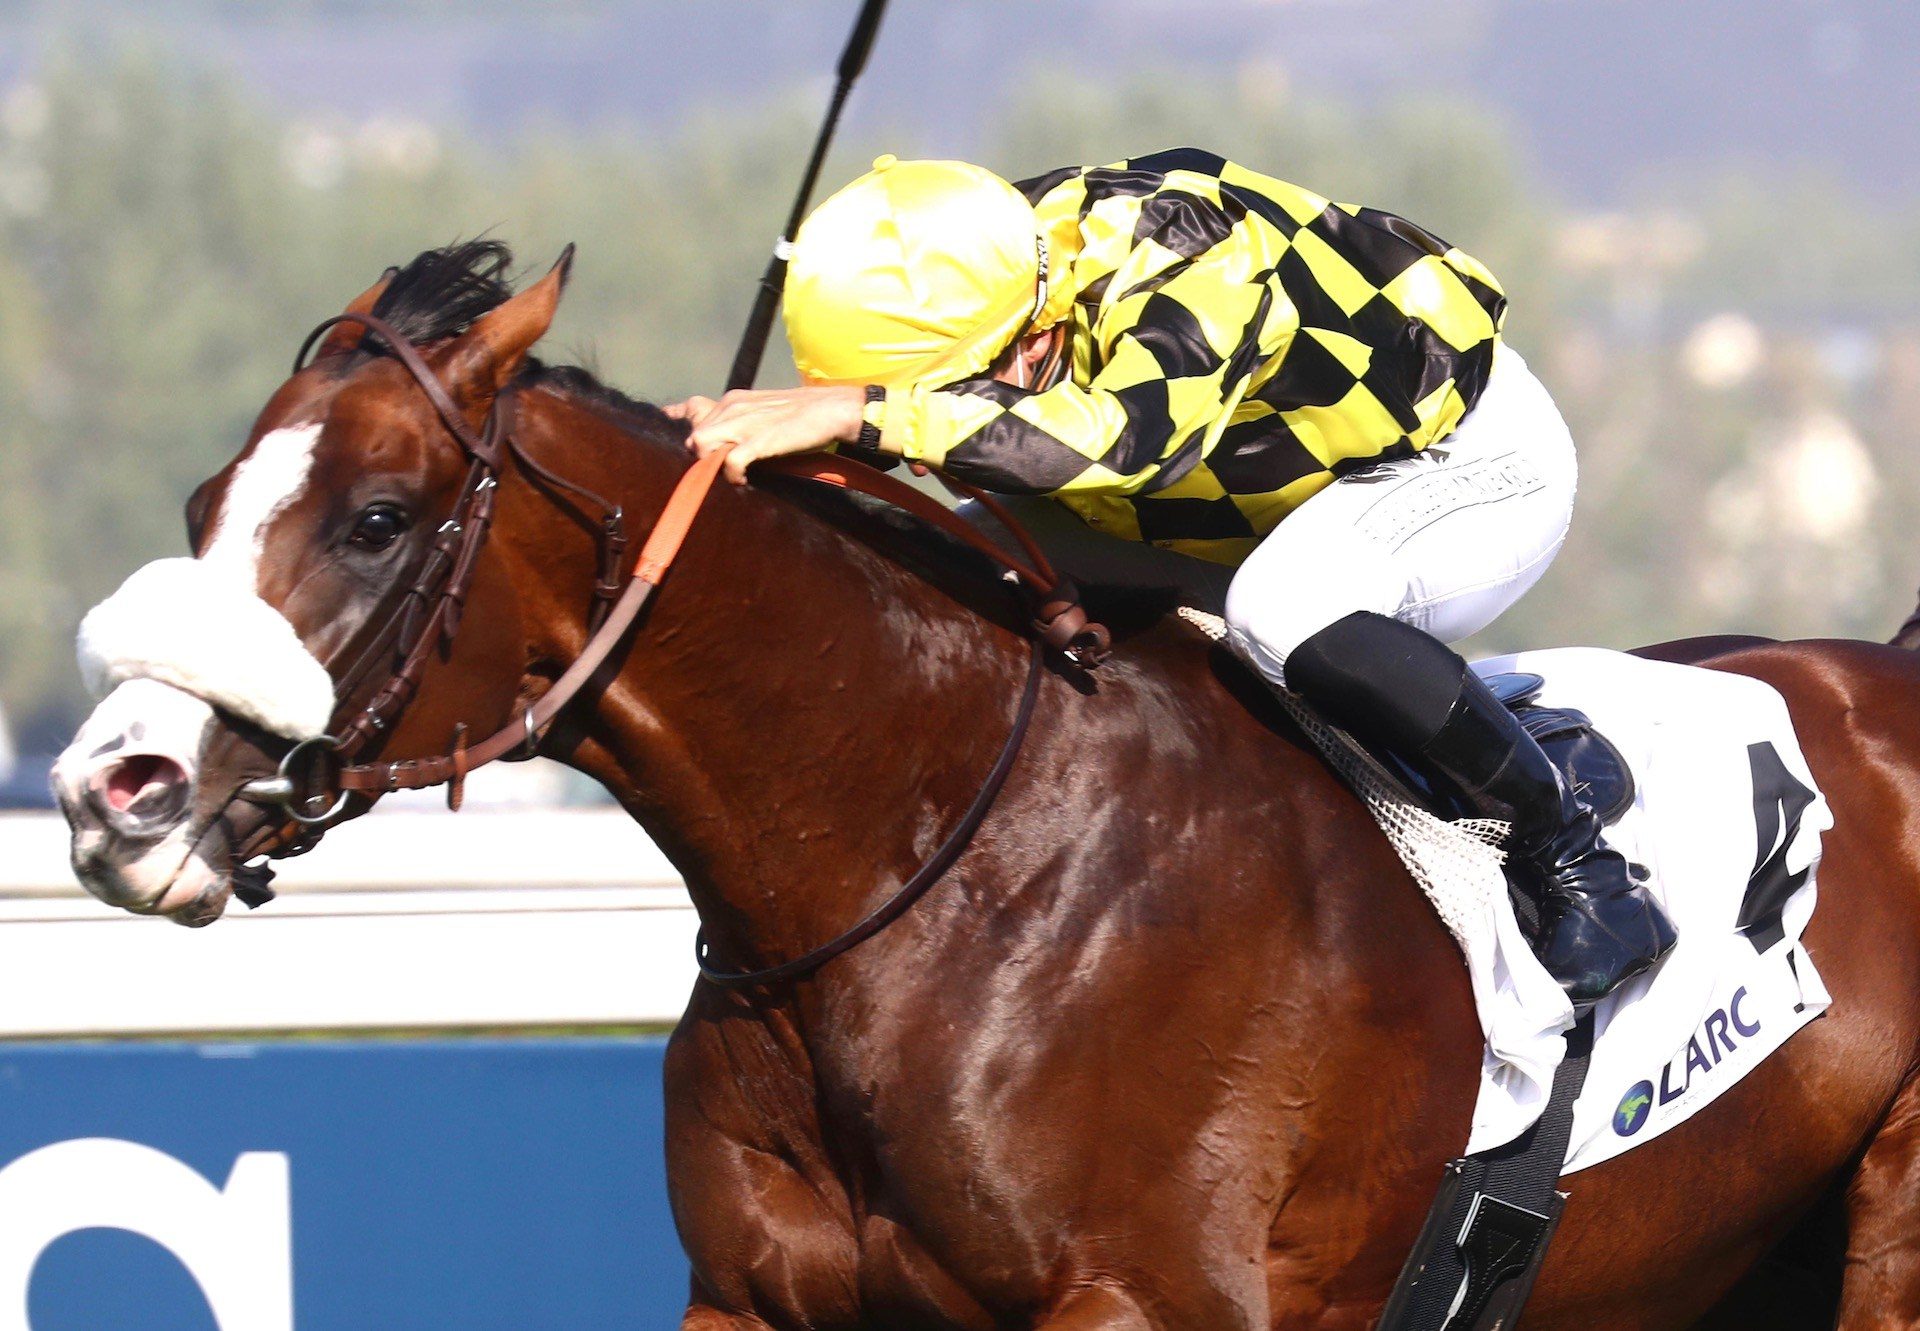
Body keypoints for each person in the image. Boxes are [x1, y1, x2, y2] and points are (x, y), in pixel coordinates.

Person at [668, 148, 1672, 1007]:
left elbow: (1116, 444)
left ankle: (1576, 855)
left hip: (1464, 465)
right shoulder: (970, 264)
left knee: (1284, 606)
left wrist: (866, 413)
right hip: (1254, 504)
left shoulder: (1197, 251)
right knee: (949, 557)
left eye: (939, 394)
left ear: (1028, 338)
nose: (917, 431)